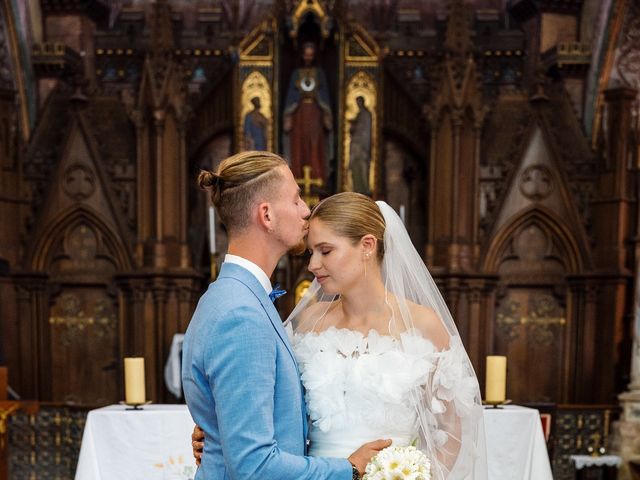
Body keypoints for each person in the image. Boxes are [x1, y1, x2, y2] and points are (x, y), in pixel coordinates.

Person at [193, 191, 488, 479]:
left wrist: (418, 475)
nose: (312, 265)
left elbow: (451, 430)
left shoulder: (424, 325)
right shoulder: (307, 322)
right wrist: (219, 431)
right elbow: (260, 396)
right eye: (311, 252)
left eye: (326, 250)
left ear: (367, 246)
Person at [182, 151, 389, 480]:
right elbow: (253, 466)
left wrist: (221, 431)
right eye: (295, 200)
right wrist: (349, 468)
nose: (306, 210)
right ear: (266, 215)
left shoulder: (233, 297)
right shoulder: (241, 314)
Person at [283, 42, 333, 181]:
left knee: (315, 143)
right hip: (299, 113)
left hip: (315, 112)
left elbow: (325, 95)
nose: (308, 58)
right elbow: (290, 97)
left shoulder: (320, 73)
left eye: (311, 55)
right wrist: (288, 115)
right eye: (306, 54)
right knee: (298, 144)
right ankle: (296, 176)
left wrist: (325, 110)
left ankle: (318, 176)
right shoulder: (296, 73)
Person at [348, 96, 372, 195]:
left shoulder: (366, 115)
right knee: (354, 166)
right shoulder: (359, 115)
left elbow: (365, 131)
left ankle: (364, 189)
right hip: (355, 144)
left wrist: (364, 147)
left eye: (359, 102)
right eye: (356, 102)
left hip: (362, 145)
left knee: (362, 167)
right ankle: (356, 188)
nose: (358, 104)